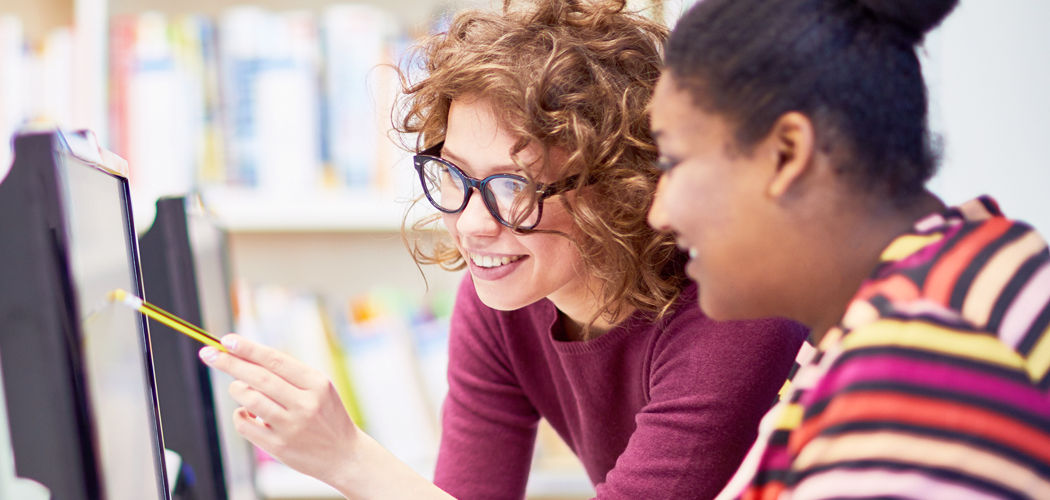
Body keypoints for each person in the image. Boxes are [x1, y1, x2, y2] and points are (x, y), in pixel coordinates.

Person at [197, 1, 808, 498]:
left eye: (513, 186)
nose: (472, 225)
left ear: (619, 188)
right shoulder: (500, 301)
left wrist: (350, 459)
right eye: (455, 175)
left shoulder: (733, 310)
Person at [647, 0, 1050, 497]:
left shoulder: (916, 369)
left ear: (786, 153)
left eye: (672, 161)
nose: (659, 214)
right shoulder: (949, 283)